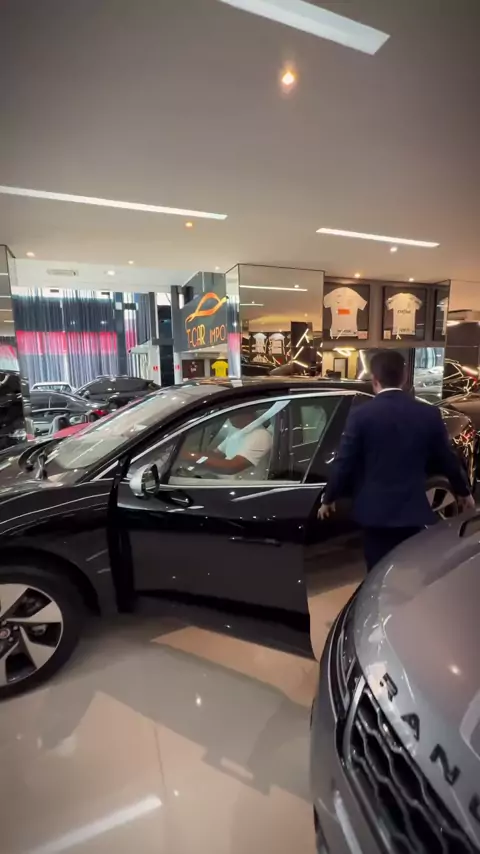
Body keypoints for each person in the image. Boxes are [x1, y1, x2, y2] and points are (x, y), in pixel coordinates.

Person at [318, 349, 475, 571]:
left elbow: (344, 461)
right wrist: (463, 492)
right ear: (404, 377)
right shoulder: (428, 414)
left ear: (374, 380)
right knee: (408, 569)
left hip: (374, 514)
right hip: (412, 512)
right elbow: (447, 459)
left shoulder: (361, 415)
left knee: (377, 570)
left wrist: (329, 497)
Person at [180, 409, 273, 477]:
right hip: (220, 479)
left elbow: (231, 467)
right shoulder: (236, 430)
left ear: (247, 414)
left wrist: (189, 456)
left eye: (233, 413)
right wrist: (194, 459)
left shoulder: (260, 435)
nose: (229, 417)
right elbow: (216, 454)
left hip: (237, 486)